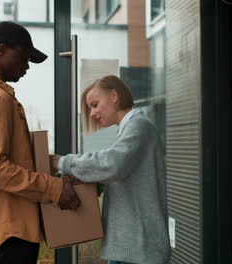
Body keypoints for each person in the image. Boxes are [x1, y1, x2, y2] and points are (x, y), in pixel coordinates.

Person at [0, 21, 81, 264]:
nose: (27, 66)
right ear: (1, 50)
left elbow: (12, 159)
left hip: (4, 227)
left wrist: (57, 166)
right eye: (24, 56)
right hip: (11, 229)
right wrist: (54, 189)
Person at [50, 75, 171, 264]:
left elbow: (112, 163)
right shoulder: (129, 130)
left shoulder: (139, 126)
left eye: (95, 104)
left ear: (114, 95)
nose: (92, 114)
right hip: (130, 250)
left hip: (138, 252)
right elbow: (120, 173)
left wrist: (62, 162)